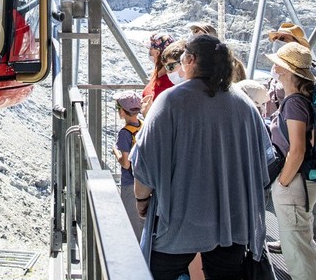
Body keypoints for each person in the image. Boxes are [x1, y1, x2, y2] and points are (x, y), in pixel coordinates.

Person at [131, 34, 270, 280]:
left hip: (179, 222)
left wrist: (142, 202)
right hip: (232, 221)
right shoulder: (244, 104)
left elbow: (145, 164)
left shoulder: (170, 102)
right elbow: (263, 162)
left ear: (191, 60)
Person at [264, 21, 316, 257]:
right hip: (294, 161)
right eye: (278, 40)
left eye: (284, 40)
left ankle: (310, 243)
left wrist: (282, 182)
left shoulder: (298, 92)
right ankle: (299, 242)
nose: (279, 45)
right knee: (302, 207)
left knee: (305, 205)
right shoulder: (295, 86)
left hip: (296, 165)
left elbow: (298, 148)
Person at [267, 42, 316, 280]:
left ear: (286, 70)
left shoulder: (295, 103)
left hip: (294, 182)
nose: (273, 69)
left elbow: (297, 150)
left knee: (298, 251)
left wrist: (283, 182)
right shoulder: (304, 99)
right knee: (301, 242)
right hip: (304, 181)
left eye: (277, 65)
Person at [112, 90, 144, 242]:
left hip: (129, 183)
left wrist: (115, 151)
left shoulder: (125, 133)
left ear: (122, 112)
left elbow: (125, 163)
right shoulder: (143, 126)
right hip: (144, 181)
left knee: (132, 223)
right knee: (143, 223)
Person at [140, 33, 174, 117]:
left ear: (158, 52)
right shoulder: (157, 75)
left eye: (151, 48)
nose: (149, 51)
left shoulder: (169, 81)